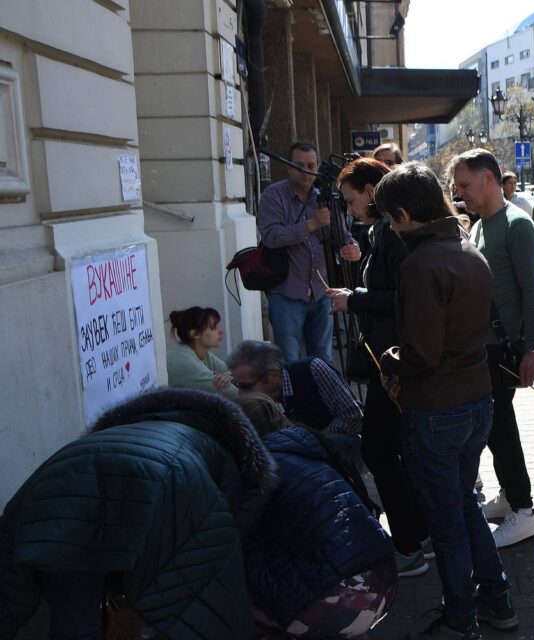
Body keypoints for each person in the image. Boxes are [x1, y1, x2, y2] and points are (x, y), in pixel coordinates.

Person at [0, 388, 273, 639]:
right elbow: (206, 552)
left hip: (58, 488)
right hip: (162, 489)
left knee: (73, 610)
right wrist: (137, 610)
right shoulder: (220, 456)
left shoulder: (109, 437)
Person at [374, 161, 517, 637]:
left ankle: (462, 615)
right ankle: (496, 599)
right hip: (474, 398)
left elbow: (423, 354)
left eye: (390, 220)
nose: (390, 230)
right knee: (463, 505)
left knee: (448, 522)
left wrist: (391, 360)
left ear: (403, 214)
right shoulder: (465, 247)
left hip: (438, 406)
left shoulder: (421, 263)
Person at [325, 157, 430, 576]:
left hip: (396, 360)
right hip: (389, 357)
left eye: (351, 201)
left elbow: (399, 299)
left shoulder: (392, 235)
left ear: (372, 191)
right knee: (392, 450)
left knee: (379, 449)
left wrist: (354, 299)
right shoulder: (382, 233)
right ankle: (416, 535)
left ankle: (409, 545)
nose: (348, 210)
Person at [235, 393, 397, 639]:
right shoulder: (311, 450)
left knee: (234, 596)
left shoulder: (262, 470)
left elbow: (235, 535)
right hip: (385, 579)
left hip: (345, 600)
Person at [451, 149, 534, 548]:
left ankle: (524, 510)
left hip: (502, 348)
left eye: (465, 185)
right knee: (494, 428)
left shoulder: (517, 225)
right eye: (456, 186)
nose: (459, 194)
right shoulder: (479, 224)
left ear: (489, 179)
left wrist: (532, 349)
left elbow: (532, 292)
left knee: (500, 428)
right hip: (484, 346)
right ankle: (511, 497)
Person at [257, 141, 361, 364]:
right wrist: (310, 224)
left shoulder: (323, 197)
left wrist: (353, 247)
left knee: (322, 359)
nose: (307, 171)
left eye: (311, 166)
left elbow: (342, 234)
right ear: (288, 167)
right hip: (286, 293)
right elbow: (271, 237)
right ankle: (294, 399)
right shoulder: (273, 196)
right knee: (290, 360)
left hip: (321, 292)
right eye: (300, 165)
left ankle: (321, 399)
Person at [227, 340, 363, 436]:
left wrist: (316, 439)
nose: (241, 393)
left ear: (273, 374)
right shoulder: (262, 401)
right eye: (237, 385)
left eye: (246, 386)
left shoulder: (313, 369)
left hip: (339, 450)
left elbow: (354, 417)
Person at [166, 306, 236, 398]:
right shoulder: (185, 363)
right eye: (213, 327)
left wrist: (232, 376)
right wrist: (235, 379)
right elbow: (237, 395)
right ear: (195, 334)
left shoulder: (202, 353)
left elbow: (232, 372)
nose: (220, 332)